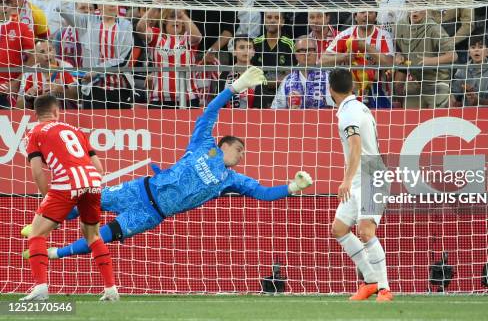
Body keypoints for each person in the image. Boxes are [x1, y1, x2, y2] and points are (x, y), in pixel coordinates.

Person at [22, 68, 314, 262]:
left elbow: (263, 193)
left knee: (104, 234)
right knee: (90, 199)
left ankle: (54, 252)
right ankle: (39, 225)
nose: (240, 156)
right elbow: (209, 112)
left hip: (152, 213)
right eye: (238, 149)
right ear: (223, 145)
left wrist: (291, 187)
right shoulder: (204, 144)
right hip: (140, 189)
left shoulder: (231, 179)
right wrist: (235, 88)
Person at [20, 94, 118, 301]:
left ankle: (40, 289)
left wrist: (47, 198)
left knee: (36, 234)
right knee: (93, 235)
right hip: (92, 181)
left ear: (36, 114)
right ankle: (111, 290)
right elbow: (99, 168)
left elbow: (37, 171)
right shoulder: (75, 130)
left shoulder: (35, 132)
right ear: (57, 112)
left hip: (67, 182)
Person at [328, 68, 392, 302]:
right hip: (360, 176)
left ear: (330, 89)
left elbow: (355, 146)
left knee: (365, 232)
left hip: (370, 176)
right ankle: (370, 281)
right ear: (352, 87)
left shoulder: (349, 113)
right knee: (339, 229)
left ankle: (384, 288)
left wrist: (345, 179)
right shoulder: (355, 107)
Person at [60, 0, 134, 109]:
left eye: (115, 1)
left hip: (119, 90)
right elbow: (62, 8)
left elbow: (124, 60)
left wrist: (97, 71)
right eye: (108, 0)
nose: (113, 4)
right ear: (99, 5)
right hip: (93, 89)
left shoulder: (125, 25)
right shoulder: (87, 22)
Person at [322, 10, 394, 108]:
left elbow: (390, 63)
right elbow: (322, 61)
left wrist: (366, 46)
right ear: (355, 16)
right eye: (362, 12)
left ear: (376, 16)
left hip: (378, 92)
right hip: (349, 93)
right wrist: (344, 57)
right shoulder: (345, 35)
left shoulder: (383, 35)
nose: (366, 15)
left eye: (370, 12)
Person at [395, 0, 457, 109]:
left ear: (426, 8)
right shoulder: (399, 26)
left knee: (438, 120)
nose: (415, 10)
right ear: (406, 8)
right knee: (409, 120)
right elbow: (399, 50)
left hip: (437, 80)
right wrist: (399, 56)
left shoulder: (434, 28)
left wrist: (430, 61)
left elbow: (453, 56)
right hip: (415, 81)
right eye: (412, 6)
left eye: (419, 7)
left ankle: (448, 95)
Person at [136, 7, 202, 108]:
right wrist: (154, 6)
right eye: (172, 17)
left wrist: (183, 15)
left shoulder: (187, 38)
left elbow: (198, 37)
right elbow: (140, 29)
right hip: (159, 99)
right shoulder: (156, 36)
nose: (176, 20)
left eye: (179, 18)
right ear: (164, 20)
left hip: (188, 98)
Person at [271, 36, 334, 109]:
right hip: (294, 119)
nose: (307, 54)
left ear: (316, 52)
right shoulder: (287, 81)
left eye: (310, 50)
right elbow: (276, 110)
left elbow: (336, 108)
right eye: (302, 50)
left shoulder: (329, 77)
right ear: (296, 55)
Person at [16, 39, 78, 109]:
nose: (47, 55)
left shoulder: (66, 68)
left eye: (50, 50)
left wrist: (61, 91)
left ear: (54, 51)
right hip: (40, 115)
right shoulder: (29, 74)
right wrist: (27, 98)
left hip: (66, 114)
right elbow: (18, 106)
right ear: (35, 56)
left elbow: (77, 96)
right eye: (42, 52)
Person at [252, 11, 295, 108]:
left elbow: (292, 73)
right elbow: (250, 68)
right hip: (259, 90)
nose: (272, 20)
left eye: (276, 18)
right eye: (269, 17)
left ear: (282, 21)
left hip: (282, 89)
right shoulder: (256, 43)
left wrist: (273, 81)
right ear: (264, 20)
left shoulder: (289, 44)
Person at [0, 0, 35, 108]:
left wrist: (16, 82)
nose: (4, 6)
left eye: (8, 2)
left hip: (7, 89)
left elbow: (33, 59)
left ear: (14, 4)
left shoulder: (23, 28)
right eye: (0, 2)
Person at [451, 32, 488, 106]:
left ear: (487, 51)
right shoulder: (462, 69)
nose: (476, 50)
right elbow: (454, 94)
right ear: (468, 52)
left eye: (480, 47)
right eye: (473, 47)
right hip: (465, 113)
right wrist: (452, 99)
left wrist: (477, 100)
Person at [216, 35, 256, 109]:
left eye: (249, 47)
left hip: (252, 118)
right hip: (227, 118)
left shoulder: (259, 74)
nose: (246, 50)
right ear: (234, 52)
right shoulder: (225, 74)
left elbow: (261, 105)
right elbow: (218, 103)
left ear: (253, 52)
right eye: (241, 47)